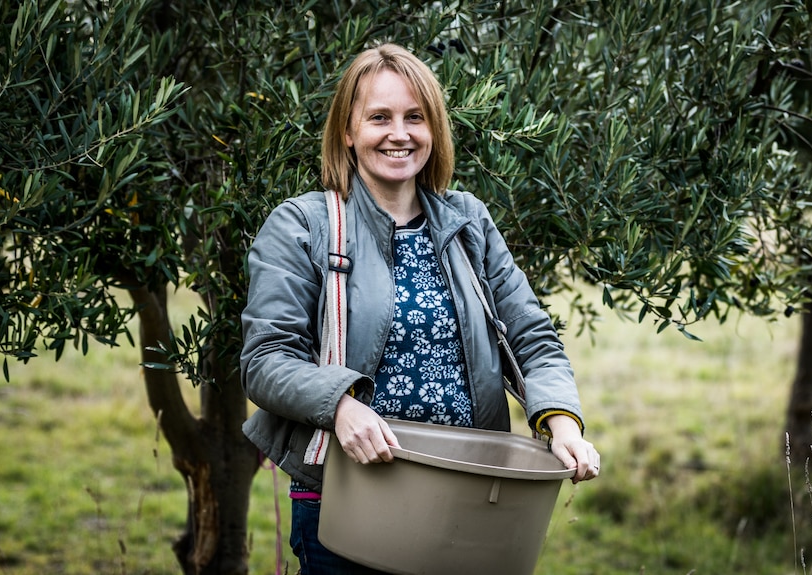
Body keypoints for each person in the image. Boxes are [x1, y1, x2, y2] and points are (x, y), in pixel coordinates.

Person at [240, 43, 600, 575]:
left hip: (470, 502)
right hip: (348, 504)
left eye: (415, 117)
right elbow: (266, 359)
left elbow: (533, 340)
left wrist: (562, 422)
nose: (400, 134)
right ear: (348, 131)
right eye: (379, 117)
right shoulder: (305, 226)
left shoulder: (468, 223)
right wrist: (341, 405)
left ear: (434, 130)